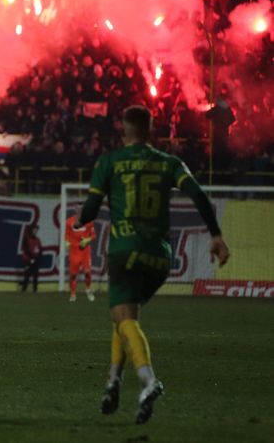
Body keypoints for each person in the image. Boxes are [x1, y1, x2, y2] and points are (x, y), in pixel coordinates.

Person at [73, 105, 230, 424]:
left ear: (123, 129)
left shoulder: (110, 162)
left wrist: (80, 217)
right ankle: (112, 382)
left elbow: (90, 209)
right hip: (159, 256)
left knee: (123, 317)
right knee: (126, 316)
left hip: (124, 250)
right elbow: (199, 195)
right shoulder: (169, 162)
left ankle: (147, 381)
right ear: (151, 128)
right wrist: (215, 235)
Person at [65, 213, 96, 302]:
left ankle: (88, 289)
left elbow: (94, 235)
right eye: (78, 209)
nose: (79, 211)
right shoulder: (69, 221)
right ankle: (73, 294)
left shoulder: (89, 221)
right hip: (74, 251)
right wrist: (66, 242)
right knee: (73, 275)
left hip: (85, 251)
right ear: (75, 210)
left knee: (87, 272)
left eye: (81, 209)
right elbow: (66, 234)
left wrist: (87, 239)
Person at [20, 224, 41, 293]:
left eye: (36, 230)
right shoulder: (26, 239)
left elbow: (40, 250)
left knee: (35, 275)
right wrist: (31, 258)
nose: (35, 231)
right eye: (34, 230)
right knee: (27, 275)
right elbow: (26, 250)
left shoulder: (38, 240)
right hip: (27, 260)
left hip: (35, 260)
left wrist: (36, 258)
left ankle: (35, 290)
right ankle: (24, 290)